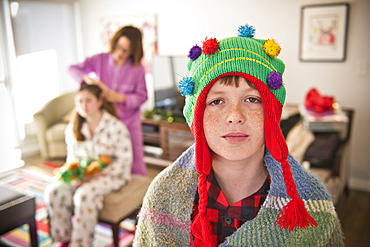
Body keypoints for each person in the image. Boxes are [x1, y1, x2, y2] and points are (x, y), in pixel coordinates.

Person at [133, 24, 344, 246]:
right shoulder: (162, 195)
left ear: (271, 113)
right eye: (216, 101)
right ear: (197, 116)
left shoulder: (312, 202)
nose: (235, 116)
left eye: (252, 99)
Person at [44, 84, 133, 247]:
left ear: (99, 102)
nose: (83, 106)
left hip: (112, 175)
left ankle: (81, 244)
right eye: (79, 102)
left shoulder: (116, 127)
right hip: (83, 174)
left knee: (83, 195)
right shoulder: (73, 128)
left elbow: (124, 161)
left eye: (88, 101)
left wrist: (94, 176)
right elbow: (73, 159)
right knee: (53, 191)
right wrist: (75, 174)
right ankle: (63, 238)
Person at [68, 25, 148, 176]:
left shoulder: (137, 68)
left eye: (126, 51)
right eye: (118, 47)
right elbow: (71, 69)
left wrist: (120, 98)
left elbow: (142, 96)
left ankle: (142, 193)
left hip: (130, 121)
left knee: (136, 161)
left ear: (134, 51)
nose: (119, 53)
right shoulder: (100, 59)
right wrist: (85, 79)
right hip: (106, 121)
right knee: (107, 159)